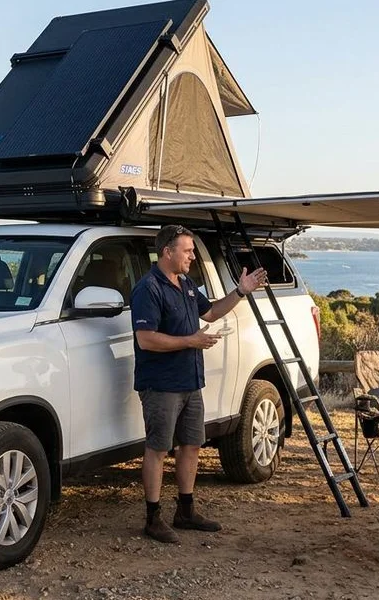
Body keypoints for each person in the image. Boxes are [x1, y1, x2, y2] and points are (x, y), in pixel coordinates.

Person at [130, 224, 268, 544]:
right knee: (158, 448)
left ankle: (186, 511)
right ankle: (153, 518)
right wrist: (190, 341)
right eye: (187, 250)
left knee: (191, 445)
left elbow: (211, 312)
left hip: (191, 382)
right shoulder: (148, 288)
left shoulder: (188, 284)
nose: (192, 255)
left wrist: (241, 290)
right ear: (167, 252)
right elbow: (146, 339)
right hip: (161, 384)